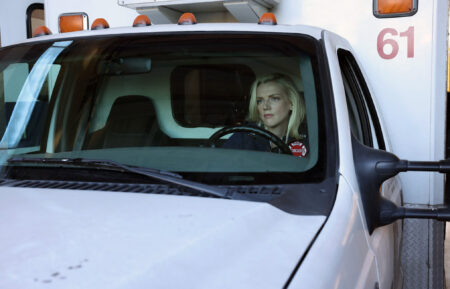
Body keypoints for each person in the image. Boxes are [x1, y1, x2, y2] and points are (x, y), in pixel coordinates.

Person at [223, 73, 308, 157]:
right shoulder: (244, 136)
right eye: (260, 101)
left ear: (291, 103)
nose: (265, 107)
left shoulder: (309, 138)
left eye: (274, 98)